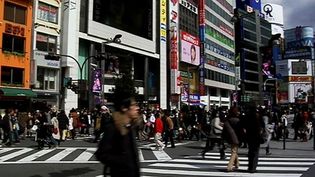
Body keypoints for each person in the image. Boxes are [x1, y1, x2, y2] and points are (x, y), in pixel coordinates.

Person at [95, 73, 140, 177]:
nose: (137, 108)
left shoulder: (129, 126)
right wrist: (123, 163)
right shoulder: (114, 127)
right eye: (134, 105)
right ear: (124, 108)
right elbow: (101, 154)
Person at [244, 104, 265, 173]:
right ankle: (253, 167)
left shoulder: (247, 116)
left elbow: (243, 125)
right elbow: (263, 125)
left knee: (250, 152)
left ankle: (250, 167)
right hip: (257, 135)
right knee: (255, 152)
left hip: (249, 135)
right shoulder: (258, 116)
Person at [222, 107, 241, 172]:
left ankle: (237, 163)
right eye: (237, 111)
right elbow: (240, 130)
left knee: (234, 150)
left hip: (230, 137)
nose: (238, 113)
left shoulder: (227, 119)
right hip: (235, 137)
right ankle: (229, 167)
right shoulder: (236, 120)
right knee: (234, 152)